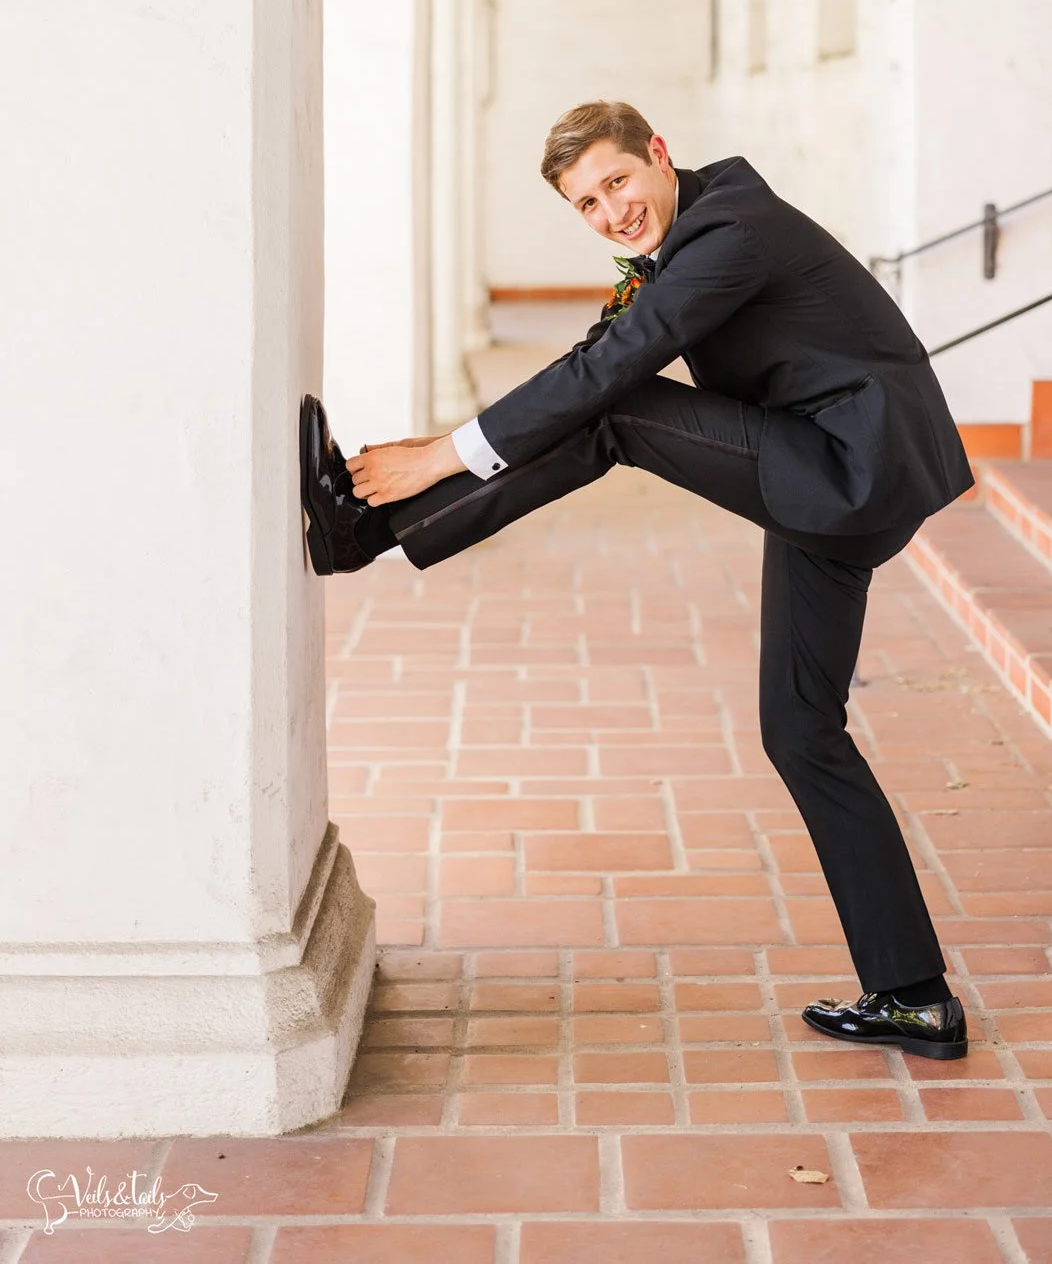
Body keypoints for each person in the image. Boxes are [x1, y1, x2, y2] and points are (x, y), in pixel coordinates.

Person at [300, 101, 978, 1060]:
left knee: (619, 414)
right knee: (799, 732)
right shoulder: (698, 225)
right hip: (838, 476)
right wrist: (441, 447)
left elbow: (611, 373)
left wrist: (437, 461)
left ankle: (362, 534)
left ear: (659, 155)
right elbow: (595, 354)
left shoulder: (729, 234)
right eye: (587, 204)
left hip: (846, 471)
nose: (611, 214)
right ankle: (916, 996)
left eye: (617, 182)